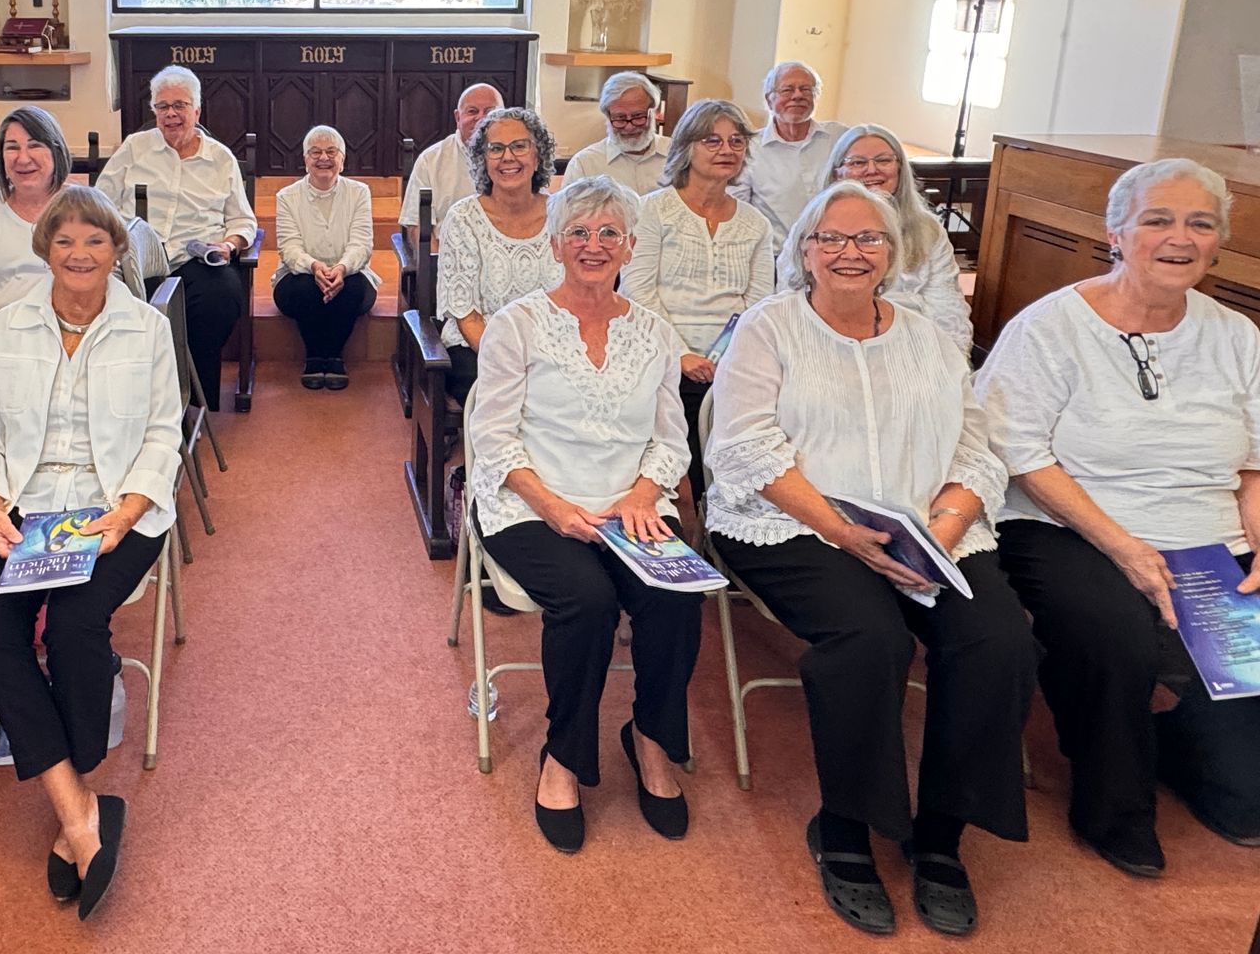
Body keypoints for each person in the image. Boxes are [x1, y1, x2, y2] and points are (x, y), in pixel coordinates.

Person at [706, 182, 1033, 938]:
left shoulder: (928, 337)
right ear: (806, 251)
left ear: (892, 253)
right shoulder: (769, 329)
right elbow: (743, 447)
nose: (850, 253)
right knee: (869, 638)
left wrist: (944, 528)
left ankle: (942, 836)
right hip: (792, 524)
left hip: (929, 525)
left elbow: (975, 446)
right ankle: (846, 827)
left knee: (999, 640)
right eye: (832, 238)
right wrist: (846, 533)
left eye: (868, 240)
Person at [977, 157, 1260, 877]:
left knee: (1244, 798)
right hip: (1068, 524)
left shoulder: (1237, 336)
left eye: (1199, 224)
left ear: (1218, 242)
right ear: (1116, 232)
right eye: (1158, 219)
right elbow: (1018, 451)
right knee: (1114, 636)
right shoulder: (1051, 327)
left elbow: (1256, 463)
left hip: (1206, 529)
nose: (1179, 237)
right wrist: (1126, 548)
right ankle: (1114, 808)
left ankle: (1183, 746)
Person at [0, 185, 181, 921]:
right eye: (64, 242)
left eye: (94, 241)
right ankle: (79, 807)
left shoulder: (144, 328)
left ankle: (75, 799)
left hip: (114, 508)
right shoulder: (11, 327)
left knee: (78, 624)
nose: (79, 254)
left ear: (116, 249)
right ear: (44, 250)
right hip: (23, 507)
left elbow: (162, 436)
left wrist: (125, 512)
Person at [470, 176, 701, 852]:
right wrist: (551, 504)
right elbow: (493, 434)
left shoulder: (654, 331)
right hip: (529, 503)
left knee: (673, 598)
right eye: (578, 232)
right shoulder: (518, 325)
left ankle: (652, 741)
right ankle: (564, 756)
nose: (593, 245)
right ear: (555, 244)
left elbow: (671, 436)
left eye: (608, 234)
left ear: (630, 245)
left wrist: (641, 493)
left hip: (631, 504)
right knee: (588, 600)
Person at [624, 99, 775, 503]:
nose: (727, 150)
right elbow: (637, 293)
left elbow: (758, 302)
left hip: (732, 356)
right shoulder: (651, 210)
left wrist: (729, 356)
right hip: (659, 350)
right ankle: (690, 507)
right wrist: (681, 355)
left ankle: (726, 513)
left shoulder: (755, 223)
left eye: (736, 141)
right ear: (687, 147)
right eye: (713, 140)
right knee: (686, 409)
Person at [97, 65, 256, 410]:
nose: (171, 114)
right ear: (154, 110)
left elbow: (243, 220)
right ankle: (128, 402)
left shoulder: (219, 158)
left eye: (180, 105)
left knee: (222, 298)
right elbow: (100, 202)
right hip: (135, 261)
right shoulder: (134, 148)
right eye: (162, 106)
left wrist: (229, 245)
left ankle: (190, 402)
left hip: (195, 259)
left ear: (197, 110)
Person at [434, 107, 561, 403]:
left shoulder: (564, 214)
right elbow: (466, 314)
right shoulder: (464, 218)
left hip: (553, 344)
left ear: (538, 155)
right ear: (482, 159)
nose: (508, 157)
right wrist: (512, 361)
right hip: (479, 345)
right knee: (506, 392)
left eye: (519, 146)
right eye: (496, 148)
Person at [809, 124, 971, 356]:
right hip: (833, 347)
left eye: (883, 160)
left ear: (899, 168)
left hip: (913, 349)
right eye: (857, 162)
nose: (872, 170)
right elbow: (793, 294)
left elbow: (948, 309)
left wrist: (950, 367)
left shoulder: (928, 230)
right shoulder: (813, 226)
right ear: (838, 173)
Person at [0, 105, 71, 354]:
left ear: (56, 150)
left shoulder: (85, 209)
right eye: (12, 147)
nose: (23, 157)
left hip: (70, 344)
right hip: (0, 344)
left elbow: (106, 285)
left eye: (35, 145)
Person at [273, 125, 378, 389]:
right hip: (299, 275)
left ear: (342, 160)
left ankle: (334, 355)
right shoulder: (287, 197)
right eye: (316, 152)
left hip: (350, 273)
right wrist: (315, 266)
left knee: (353, 289)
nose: (324, 158)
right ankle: (314, 356)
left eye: (332, 152)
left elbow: (362, 243)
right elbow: (290, 247)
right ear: (305, 160)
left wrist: (342, 268)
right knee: (304, 289)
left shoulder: (359, 192)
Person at [736, 61, 848, 238]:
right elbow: (738, 213)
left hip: (834, 251)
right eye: (787, 90)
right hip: (776, 257)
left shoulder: (839, 138)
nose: (797, 96)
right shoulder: (749, 148)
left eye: (805, 89)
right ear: (769, 100)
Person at [398, 82, 503, 232]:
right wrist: (439, 256)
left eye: (490, 111)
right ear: (458, 117)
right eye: (472, 111)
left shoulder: (518, 162)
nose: (481, 118)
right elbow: (416, 226)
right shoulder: (431, 161)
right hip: (447, 252)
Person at [562, 71, 670, 194]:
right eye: (620, 118)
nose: (629, 127)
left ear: (654, 113)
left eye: (638, 116)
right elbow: (568, 212)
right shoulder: (584, 164)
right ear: (607, 117)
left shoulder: (677, 155)